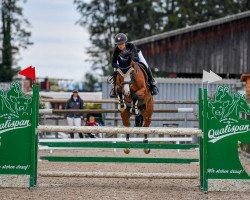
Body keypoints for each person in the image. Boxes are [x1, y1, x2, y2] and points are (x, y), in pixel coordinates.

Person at [109, 33, 159, 98]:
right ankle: (114, 88)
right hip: (123, 62)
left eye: (122, 43)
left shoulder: (131, 46)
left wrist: (128, 60)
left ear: (125, 42)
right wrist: (119, 67)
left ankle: (152, 84)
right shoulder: (116, 50)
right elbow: (113, 63)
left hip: (136, 56)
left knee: (145, 65)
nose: (120, 46)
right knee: (115, 70)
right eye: (118, 44)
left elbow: (136, 59)